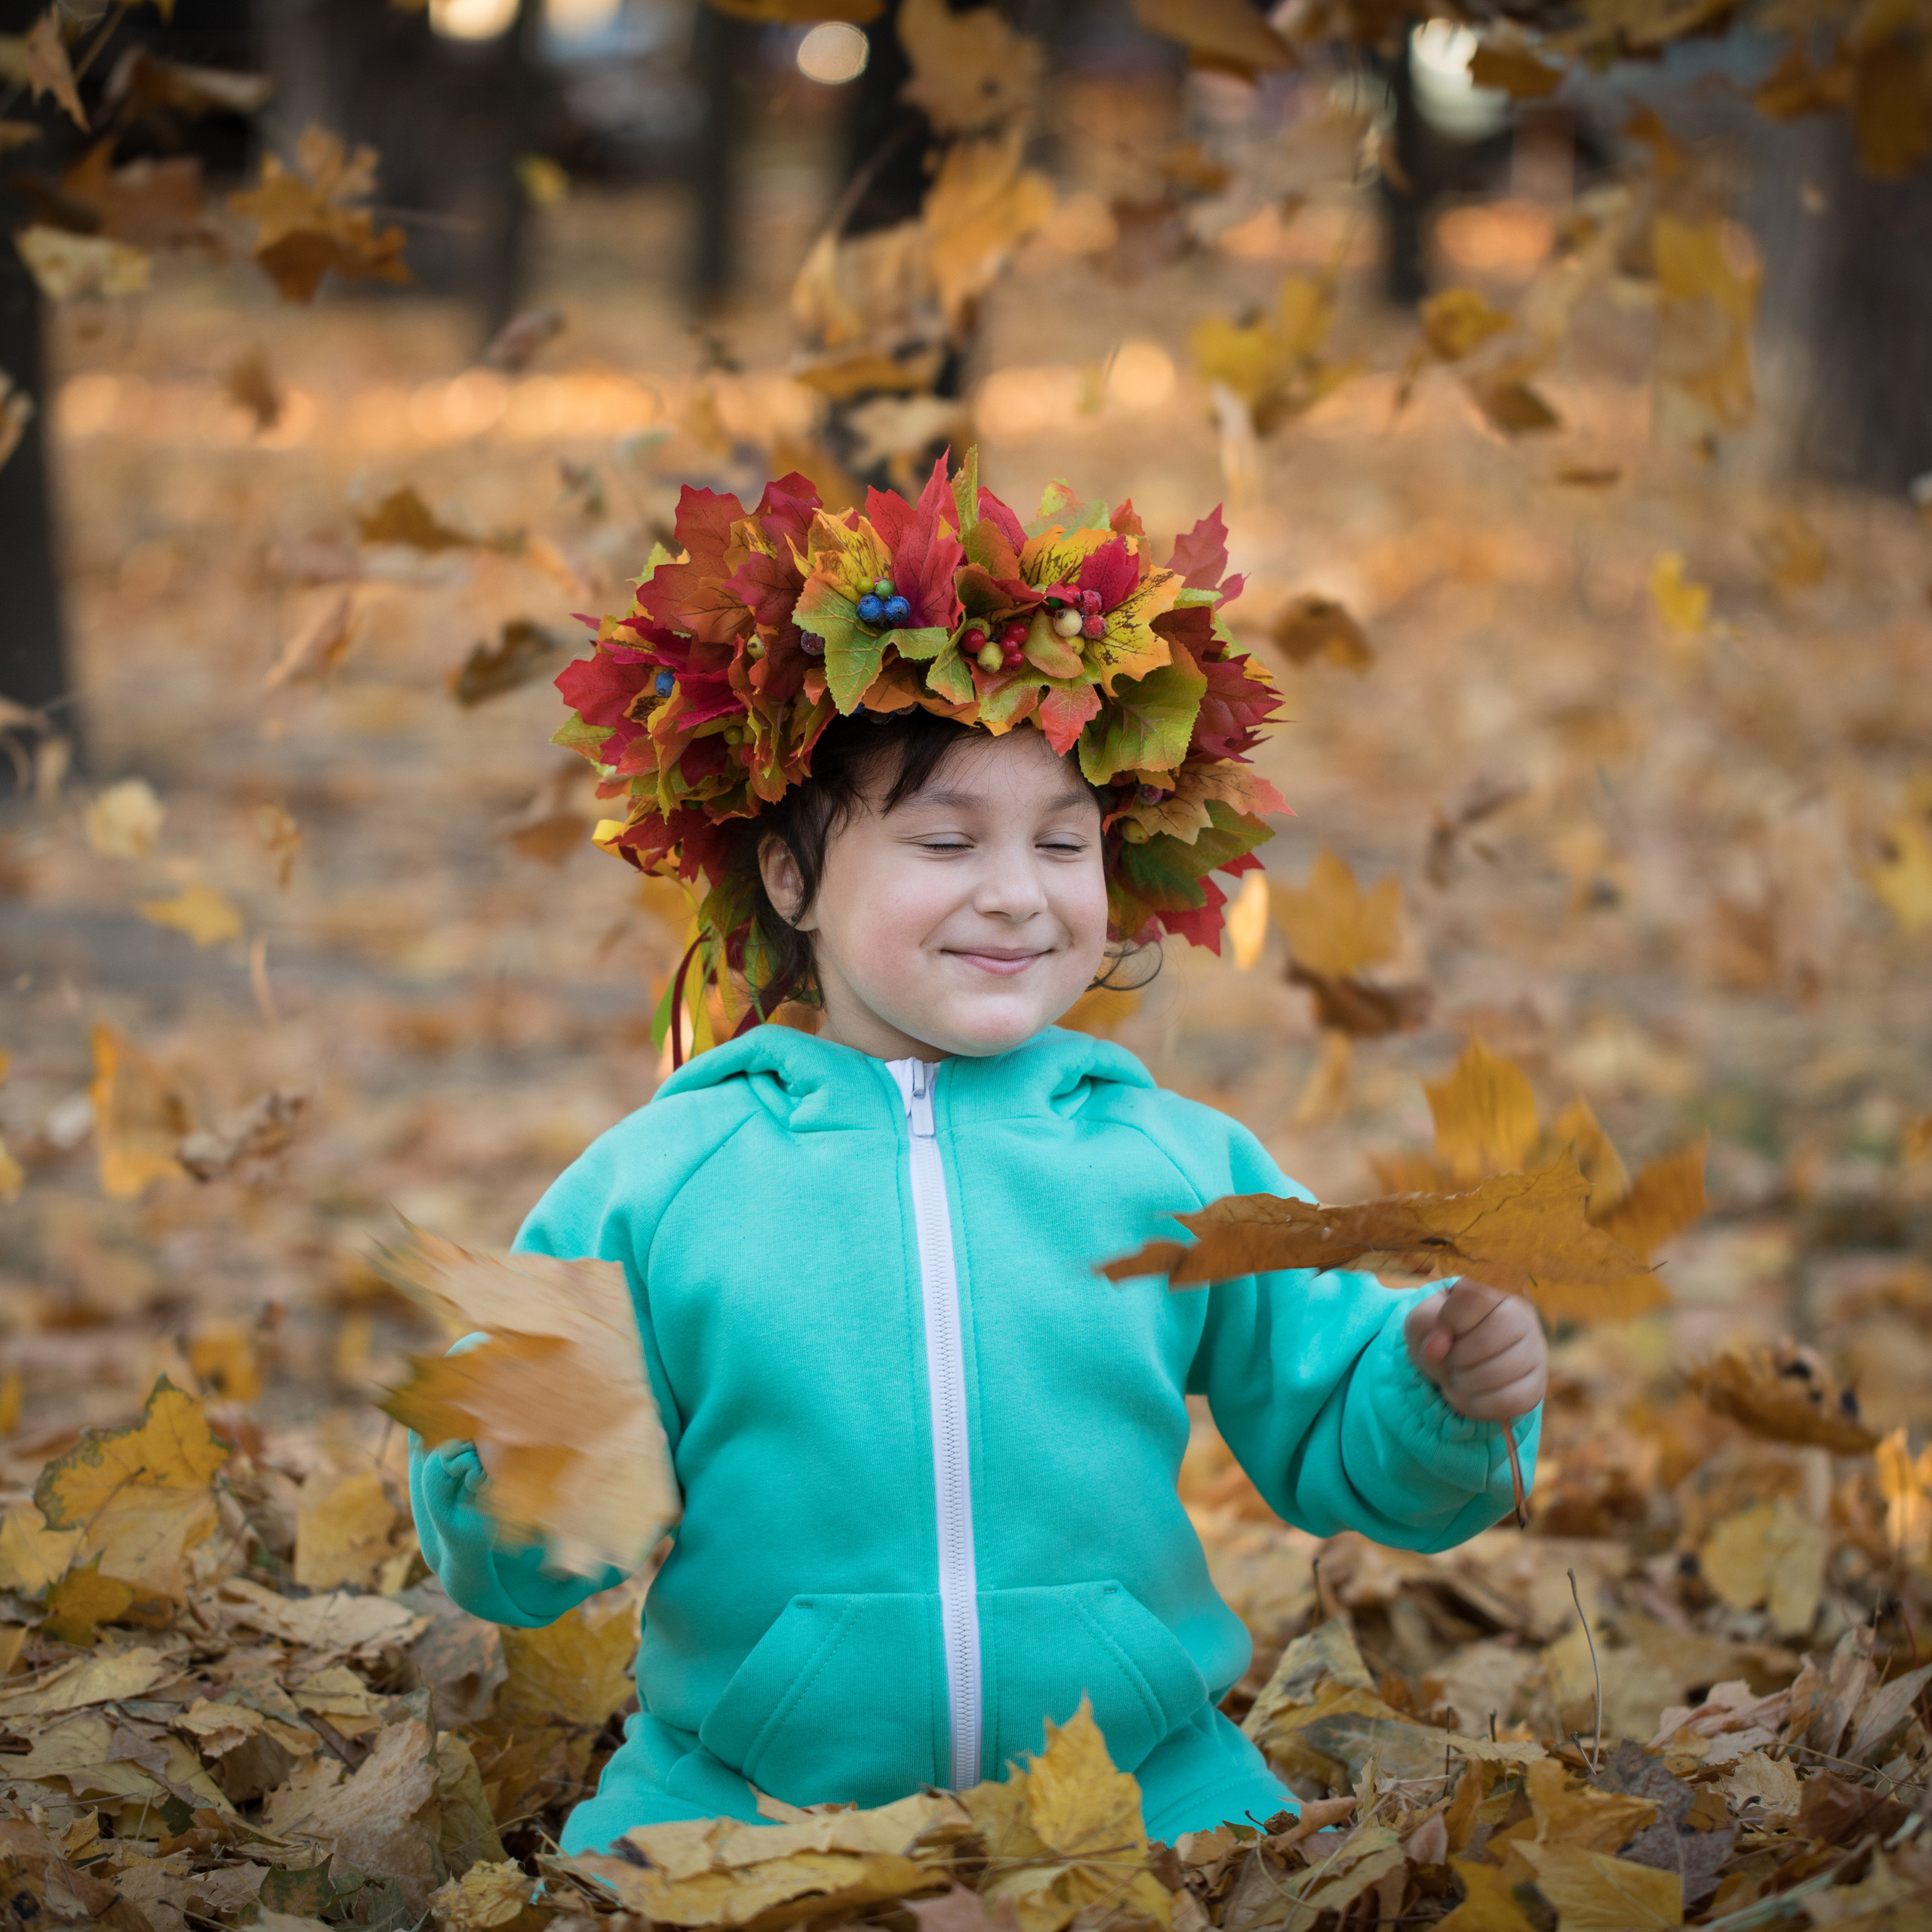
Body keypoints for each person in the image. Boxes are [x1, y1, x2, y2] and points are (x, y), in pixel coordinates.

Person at [408, 454, 1547, 1852]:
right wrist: (508, 1461)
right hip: (747, 1797)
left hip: (1143, 1788)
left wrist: (1442, 1395)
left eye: (1063, 845)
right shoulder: (664, 1183)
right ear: (791, 878)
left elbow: (1337, 1429)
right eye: (947, 840)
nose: (1016, 895)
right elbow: (508, 1564)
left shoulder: (1175, 1165)